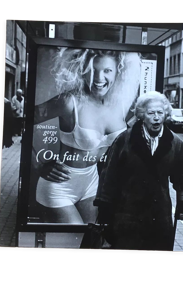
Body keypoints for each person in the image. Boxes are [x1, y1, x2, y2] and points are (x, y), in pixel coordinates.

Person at [33, 48, 141, 224]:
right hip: (59, 187)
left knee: (91, 240)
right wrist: (38, 163)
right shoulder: (69, 102)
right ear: (81, 71)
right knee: (76, 240)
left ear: (117, 72)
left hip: (92, 184)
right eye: (92, 70)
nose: (98, 78)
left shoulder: (120, 105)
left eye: (107, 70)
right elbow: (22, 119)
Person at [94, 91, 183, 251]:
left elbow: (182, 176)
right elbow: (109, 175)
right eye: (151, 113)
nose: (156, 117)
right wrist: (105, 209)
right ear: (141, 115)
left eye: (160, 112)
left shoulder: (175, 143)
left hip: (159, 216)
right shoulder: (124, 140)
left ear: (166, 114)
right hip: (127, 215)